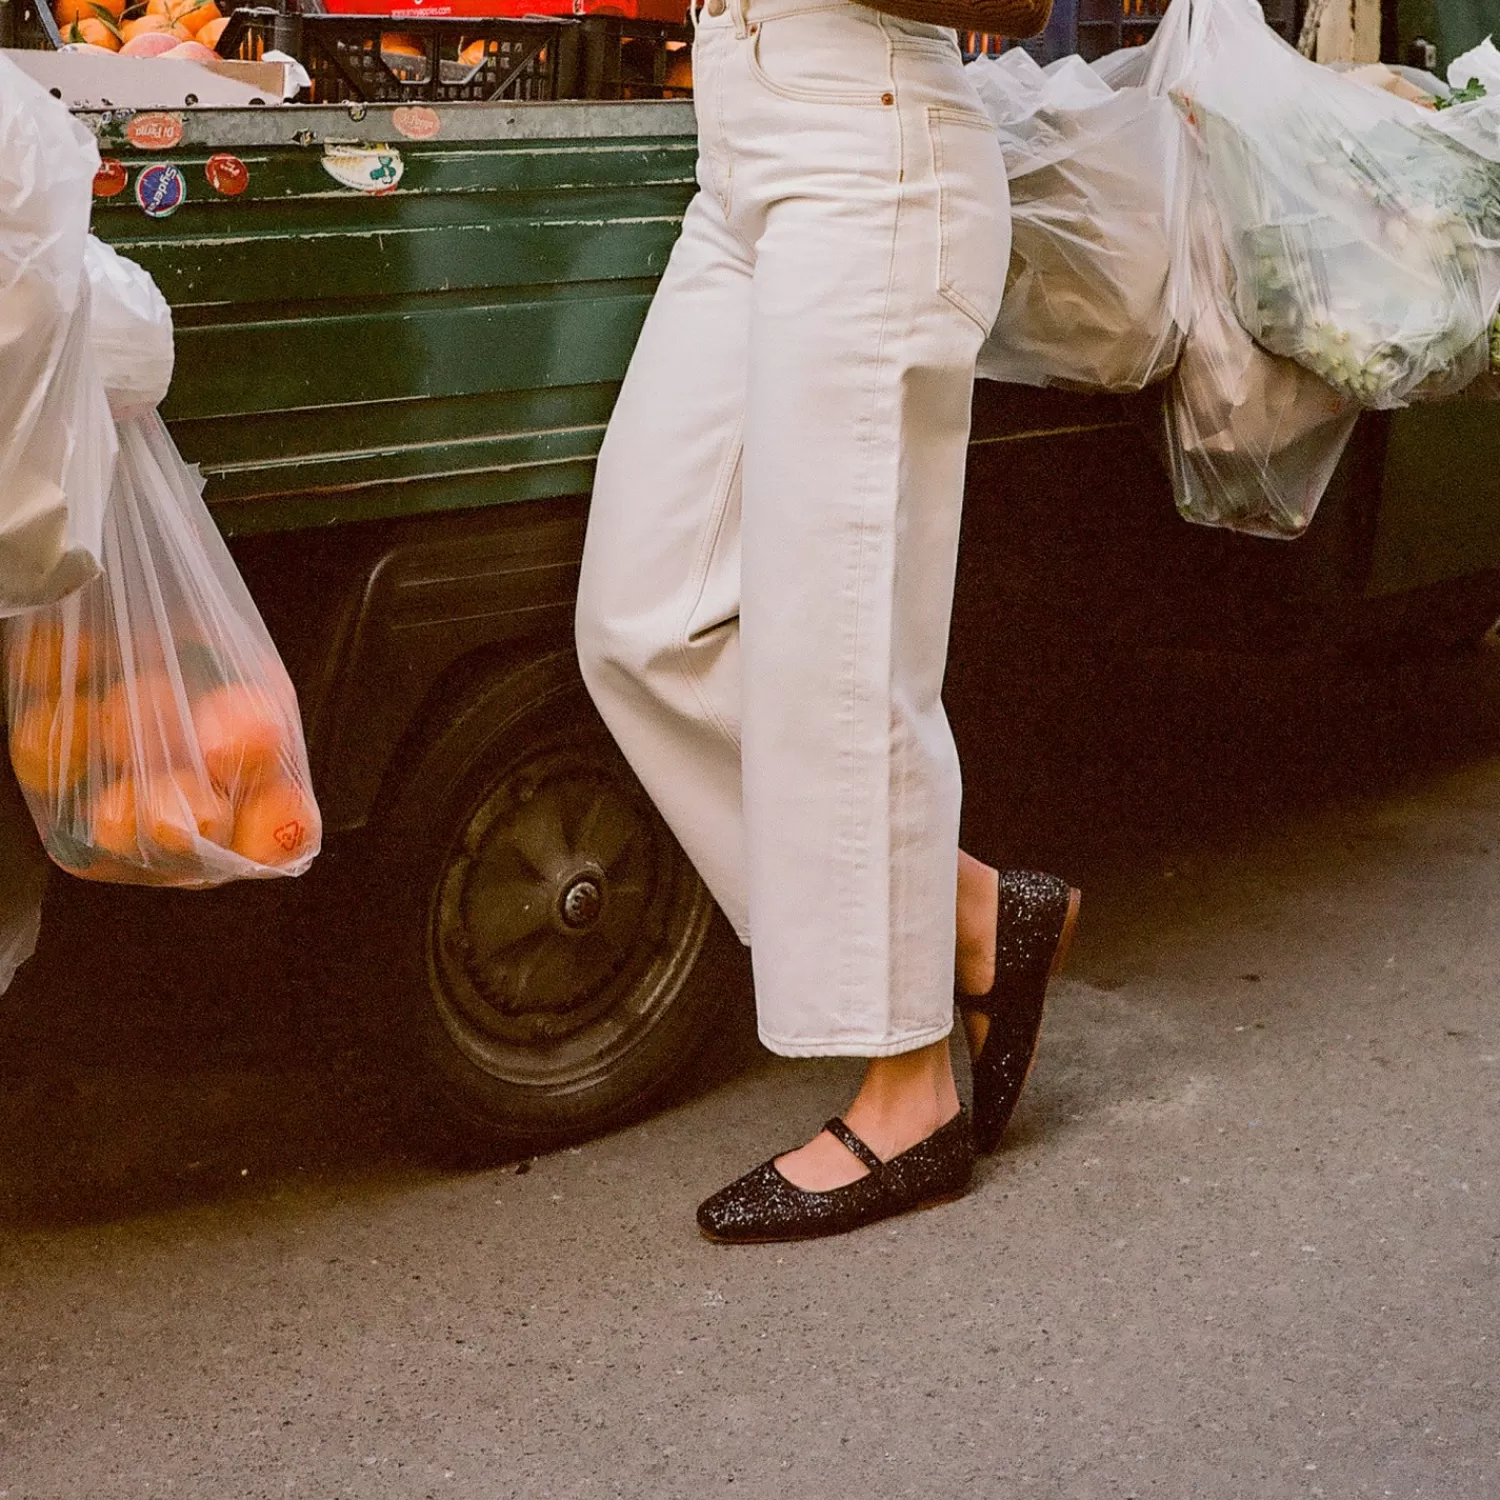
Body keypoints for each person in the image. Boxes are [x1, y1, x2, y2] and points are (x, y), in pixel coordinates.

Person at [574, 0, 1077, 1243]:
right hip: (742, 160)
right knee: (643, 617)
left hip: (874, 153)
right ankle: (964, 917)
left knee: (841, 647)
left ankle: (910, 1095)